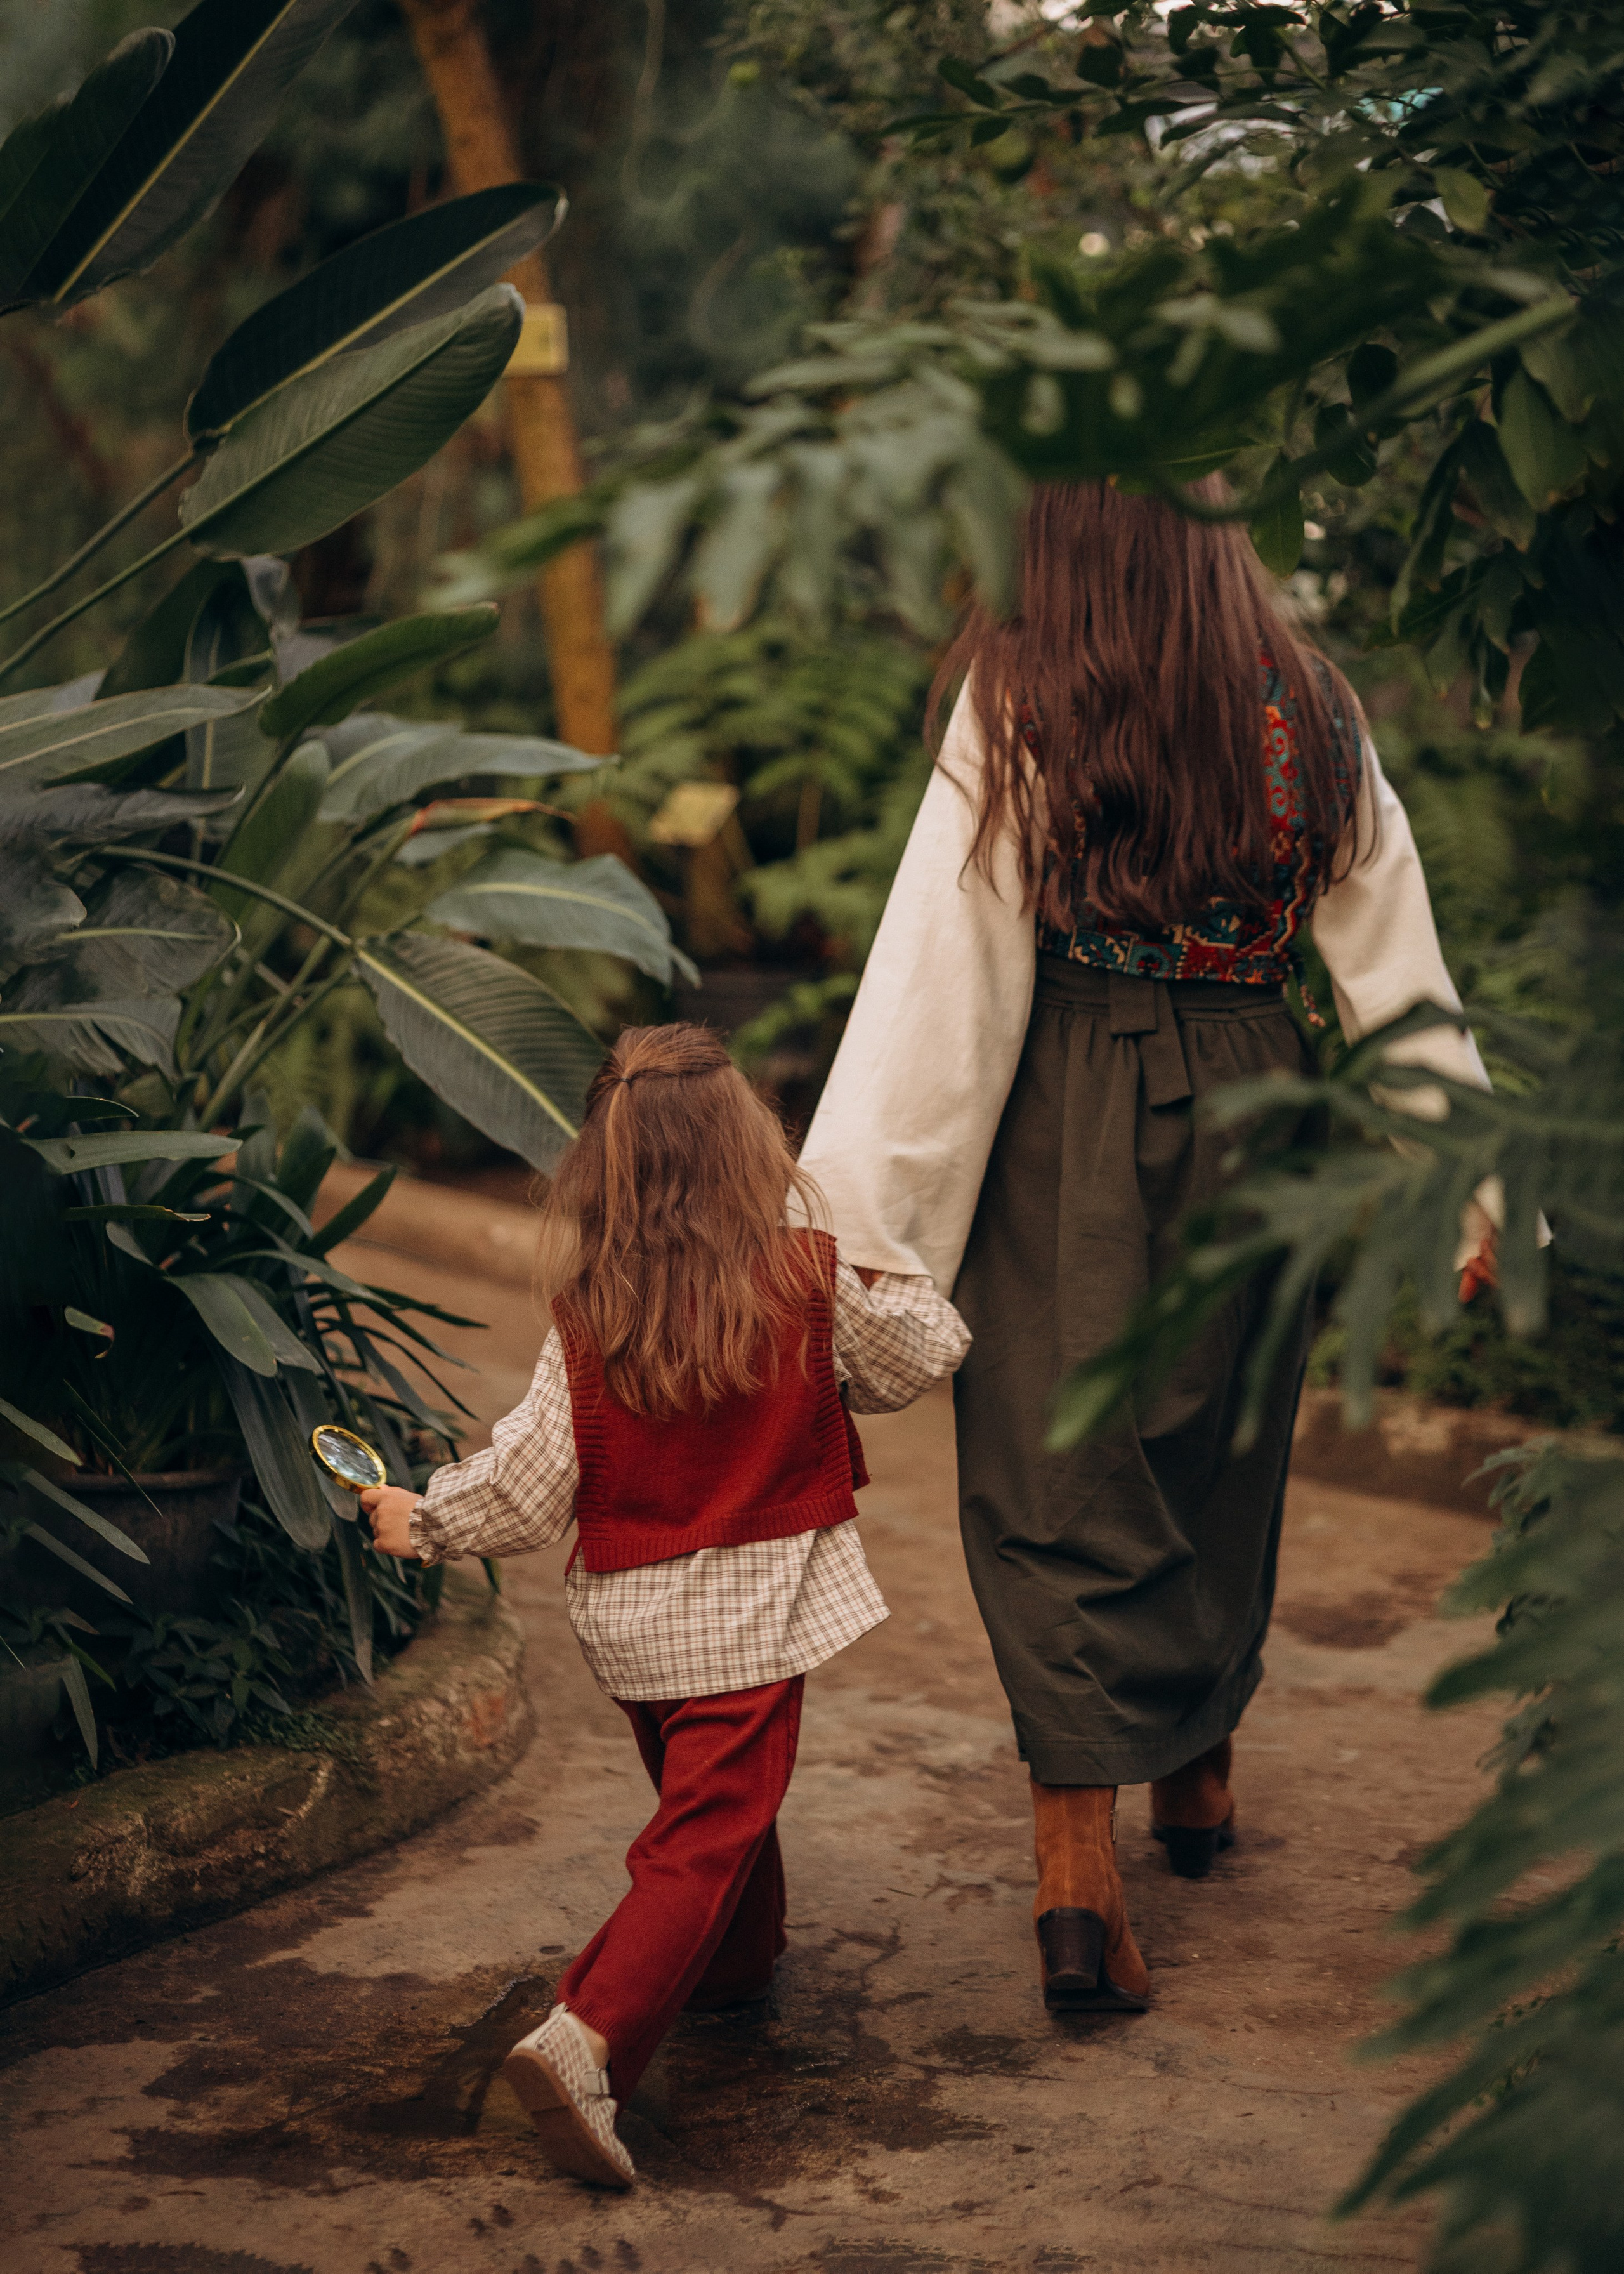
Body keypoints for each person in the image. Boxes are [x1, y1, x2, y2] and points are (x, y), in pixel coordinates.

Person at [794, 479, 1490, 2019]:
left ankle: (1073, 1880)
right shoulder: (1307, 702)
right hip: (1261, 1092)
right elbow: (1386, 945)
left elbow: (945, 966)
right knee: (1210, 1453)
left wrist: (858, 1228)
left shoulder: (1022, 693)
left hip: (1069, 1091)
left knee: (1056, 1466)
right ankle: (1193, 1780)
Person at [363, 1022, 968, 2188]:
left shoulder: (588, 1316)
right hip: (752, 1626)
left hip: (636, 1634)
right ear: (750, 1151)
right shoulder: (808, 1278)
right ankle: (586, 2037)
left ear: (607, 1168)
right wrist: (903, 1280)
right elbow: (916, 1361)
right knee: (701, 1838)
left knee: (714, 1814)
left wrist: (424, 1516)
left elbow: (532, 1483)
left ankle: (739, 1966)